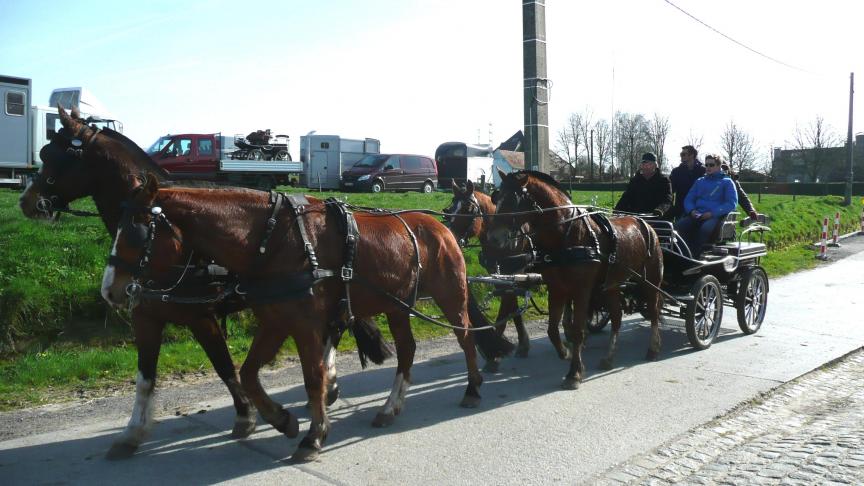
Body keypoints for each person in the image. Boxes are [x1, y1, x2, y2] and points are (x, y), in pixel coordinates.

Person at [674, 154, 738, 257]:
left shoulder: (727, 182)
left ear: (719, 166)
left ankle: (697, 255)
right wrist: (692, 211)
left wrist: (712, 213)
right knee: (677, 226)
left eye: (711, 165)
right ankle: (684, 255)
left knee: (705, 229)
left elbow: (731, 203)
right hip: (697, 214)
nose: (708, 167)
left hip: (715, 216)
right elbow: (689, 199)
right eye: (706, 164)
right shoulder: (700, 181)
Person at [614, 152, 672, 217]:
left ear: (655, 165)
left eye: (649, 164)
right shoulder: (635, 181)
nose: (646, 167)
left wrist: (660, 210)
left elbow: (667, 200)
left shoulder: (663, 180)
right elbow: (626, 198)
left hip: (657, 217)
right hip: (636, 217)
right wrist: (616, 211)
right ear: (641, 165)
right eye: (644, 164)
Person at [669, 145, 705, 219]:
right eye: (680, 154)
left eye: (683, 154)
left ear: (691, 155)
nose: (681, 156)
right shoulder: (676, 172)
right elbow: (671, 191)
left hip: (699, 209)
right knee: (678, 228)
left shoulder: (703, 171)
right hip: (681, 209)